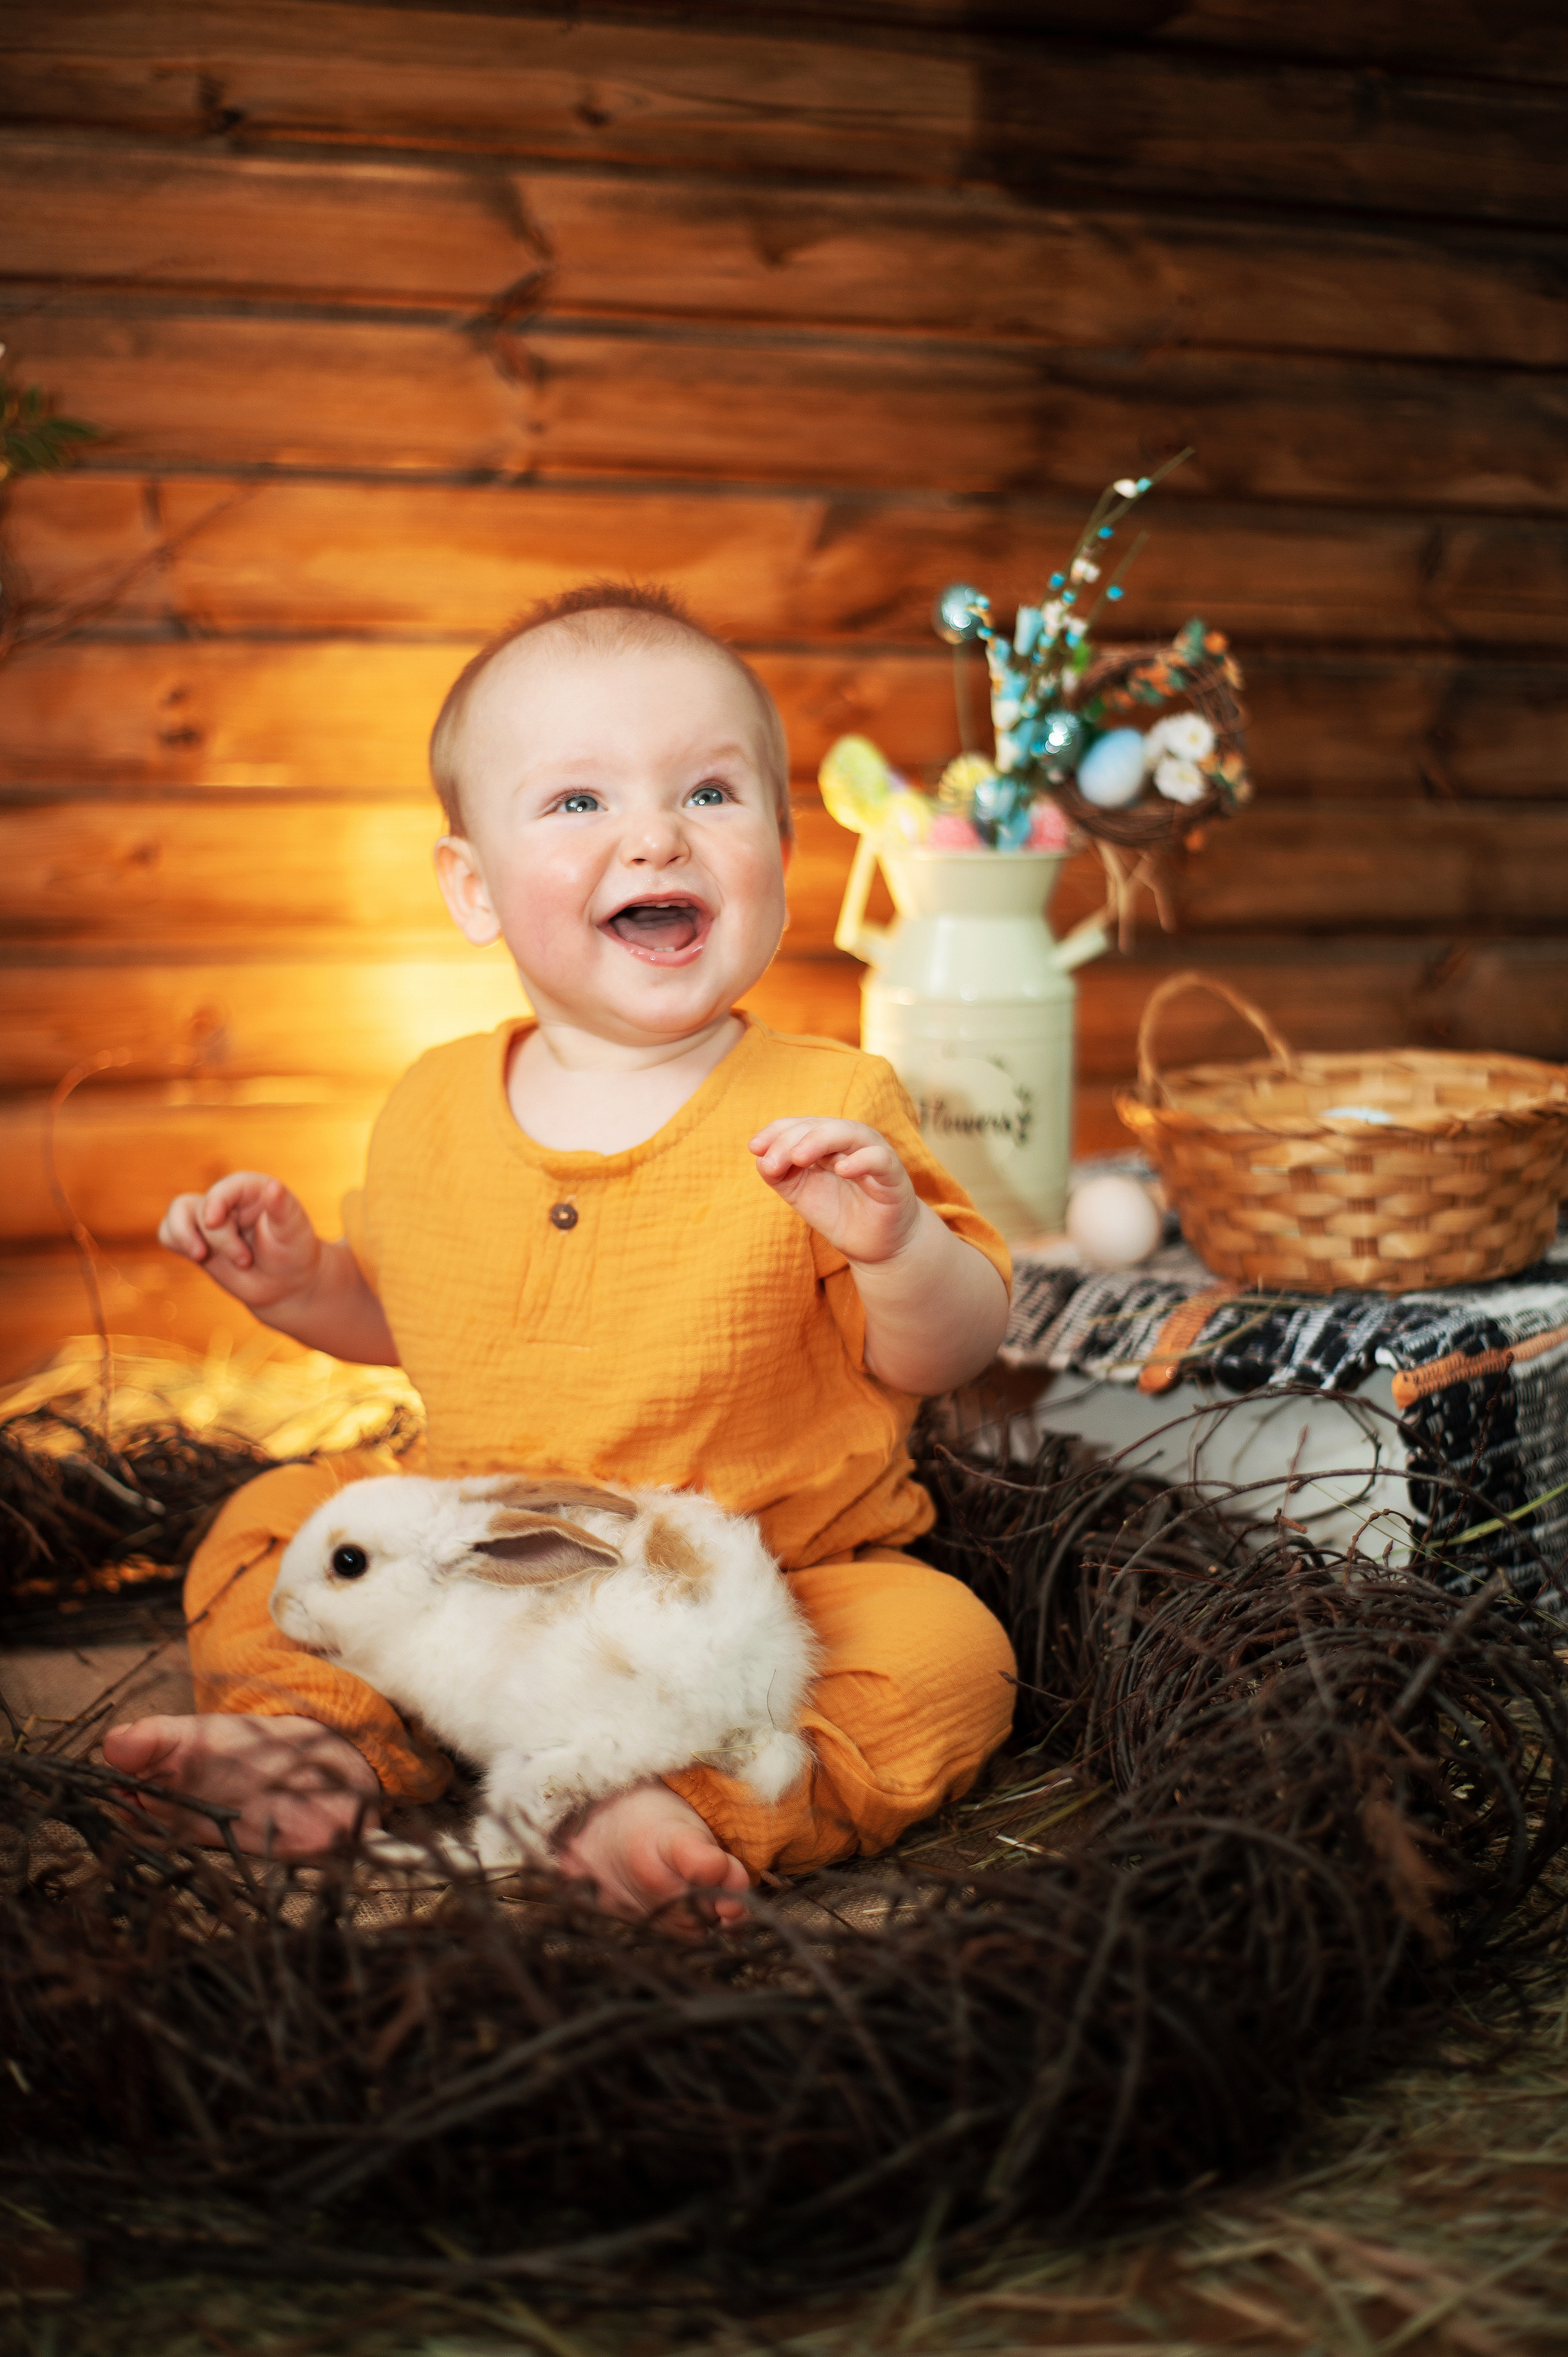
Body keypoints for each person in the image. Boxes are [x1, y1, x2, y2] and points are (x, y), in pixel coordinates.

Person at [104, 582, 1016, 1929]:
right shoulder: (428, 1103)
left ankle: (667, 1801)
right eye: (578, 802)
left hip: (749, 1589)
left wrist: (895, 1246)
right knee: (268, 1529)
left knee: (947, 1652)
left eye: (709, 793)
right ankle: (318, 1741)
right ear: (472, 889)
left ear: (779, 849)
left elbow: (948, 1346)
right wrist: (303, 1286)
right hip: (472, 1572)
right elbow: (419, 1315)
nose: (654, 832)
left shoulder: (831, 1104)